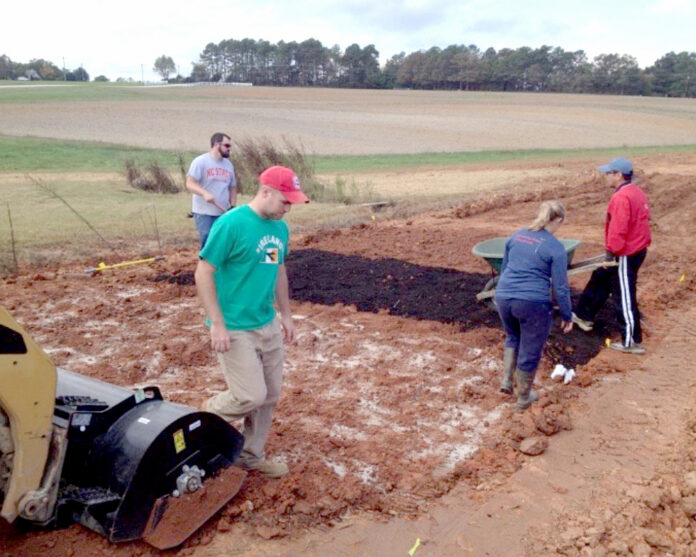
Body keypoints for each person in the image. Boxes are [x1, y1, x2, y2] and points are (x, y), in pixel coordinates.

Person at [195, 165, 308, 478]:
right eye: (286, 201)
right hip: (234, 326)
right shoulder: (231, 224)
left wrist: (285, 314)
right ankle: (201, 417)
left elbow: (277, 271)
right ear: (266, 191)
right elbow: (204, 271)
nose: (289, 209)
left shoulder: (279, 230)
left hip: (266, 322)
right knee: (249, 395)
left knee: (269, 395)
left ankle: (250, 455)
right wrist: (217, 324)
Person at [495, 201, 573, 410]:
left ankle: (506, 382)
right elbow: (560, 287)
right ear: (557, 220)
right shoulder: (555, 247)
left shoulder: (517, 235)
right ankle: (523, 397)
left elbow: (504, 268)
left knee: (513, 336)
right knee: (530, 347)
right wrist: (567, 315)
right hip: (532, 302)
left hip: (503, 296)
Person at [572, 157, 651, 355]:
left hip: (626, 252)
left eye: (608, 173)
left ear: (618, 175)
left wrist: (612, 253)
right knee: (601, 276)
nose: (606, 176)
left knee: (623, 295)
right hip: (635, 248)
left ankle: (631, 341)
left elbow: (618, 229)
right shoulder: (636, 191)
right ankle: (584, 316)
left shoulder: (621, 198)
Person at [186, 132, 237, 248]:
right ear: (216, 144)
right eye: (227, 146)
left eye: (230, 146)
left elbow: (232, 187)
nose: (229, 149)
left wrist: (233, 206)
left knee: (222, 243)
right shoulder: (200, 161)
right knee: (208, 243)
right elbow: (190, 183)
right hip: (204, 212)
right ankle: (204, 265)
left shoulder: (229, 165)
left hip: (222, 212)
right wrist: (204, 193)